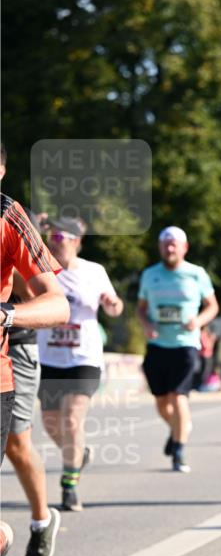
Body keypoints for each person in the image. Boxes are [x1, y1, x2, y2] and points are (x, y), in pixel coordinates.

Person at [37, 217, 124, 512]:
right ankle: (78, 453)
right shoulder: (42, 268)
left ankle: (69, 485)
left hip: (83, 358)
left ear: (76, 241)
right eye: (50, 236)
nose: (53, 242)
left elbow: (114, 306)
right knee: (51, 424)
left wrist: (113, 305)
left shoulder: (93, 271)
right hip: (49, 357)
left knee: (72, 420)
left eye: (59, 237)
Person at [0, 191, 69, 556]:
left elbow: (45, 296)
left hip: (18, 342)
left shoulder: (13, 218)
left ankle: (42, 520)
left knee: (16, 441)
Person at [137, 226, 219, 471]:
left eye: (174, 244)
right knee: (161, 402)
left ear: (184, 248)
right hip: (157, 344)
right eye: (165, 244)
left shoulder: (196, 274)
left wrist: (199, 321)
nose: (170, 248)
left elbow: (212, 306)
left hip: (186, 344)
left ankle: (179, 451)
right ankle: (178, 430)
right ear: (160, 248)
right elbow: (140, 308)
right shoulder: (149, 274)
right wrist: (146, 323)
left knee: (178, 396)